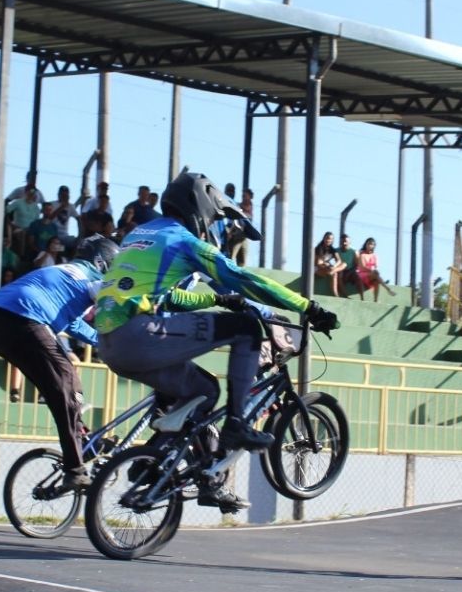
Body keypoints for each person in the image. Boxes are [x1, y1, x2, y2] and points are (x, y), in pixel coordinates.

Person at [95, 171, 338, 513]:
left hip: (110, 343)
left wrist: (217, 302)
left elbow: (172, 299)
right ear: (198, 208)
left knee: (204, 391)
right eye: (212, 217)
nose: (211, 224)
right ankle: (237, 425)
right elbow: (241, 278)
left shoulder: (142, 234)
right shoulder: (183, 241)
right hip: (138, 334)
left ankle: (153, 462)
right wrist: (307, 306)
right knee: (246, 331)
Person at [0, 234, 119, 492]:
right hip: (24, 317)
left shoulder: (63, 271)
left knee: (61, 386)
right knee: (67, 384)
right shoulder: (91, 276)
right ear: (102, 263)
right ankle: (75, 468)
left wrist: (101, 340)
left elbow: (71, 321)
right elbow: (108, 293)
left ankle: (80, 441)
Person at [313, 231, 345, 297]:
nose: (328, 240)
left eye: (330, 239)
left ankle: (332, 271)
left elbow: (339, 261)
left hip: (328, 268)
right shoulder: (319, 248)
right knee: (334, 274)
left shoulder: (332, 249)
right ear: (324, 238)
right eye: (327, 238)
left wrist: (334, 266)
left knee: (344, 264)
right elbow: (318, 263)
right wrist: (326, 265)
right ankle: (335, 294)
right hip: (317, 269)